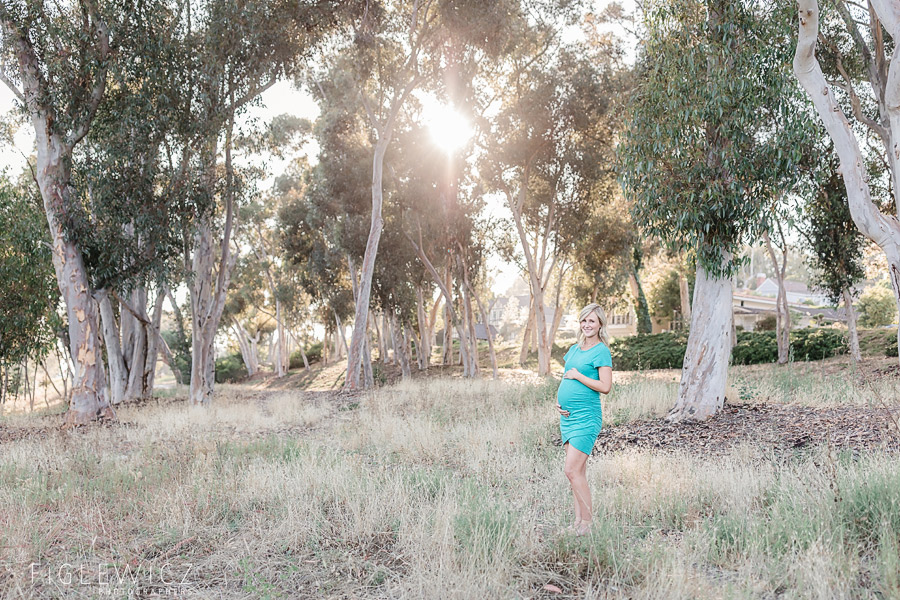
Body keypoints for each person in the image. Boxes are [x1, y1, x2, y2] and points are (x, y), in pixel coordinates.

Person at [556, 303, 613, 536]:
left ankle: (587, 525)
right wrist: (559, 403)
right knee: (577, 473)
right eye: (584, 321)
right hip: (568, 417)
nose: (587, 325)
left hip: (586, 418)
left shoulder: (601, 351)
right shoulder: (574, 349)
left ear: (600, 324)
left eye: (592, 321)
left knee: (570, 470)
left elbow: (605, 386)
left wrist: (579, 376)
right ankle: (578, 523)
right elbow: (565, 377)